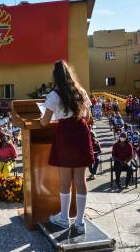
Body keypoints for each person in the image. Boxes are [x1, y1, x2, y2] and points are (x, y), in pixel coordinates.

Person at [40, 60, 94, 234]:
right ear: (70, 75)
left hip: (65, 135)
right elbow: (89, 116)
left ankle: (63, 218)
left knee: (65, 181)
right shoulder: (81, 92)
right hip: (81, 132)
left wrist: (42, 120)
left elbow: (44, 121)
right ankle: (80, 221)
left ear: (55, 77)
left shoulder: (54, 95)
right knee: (80, 179)